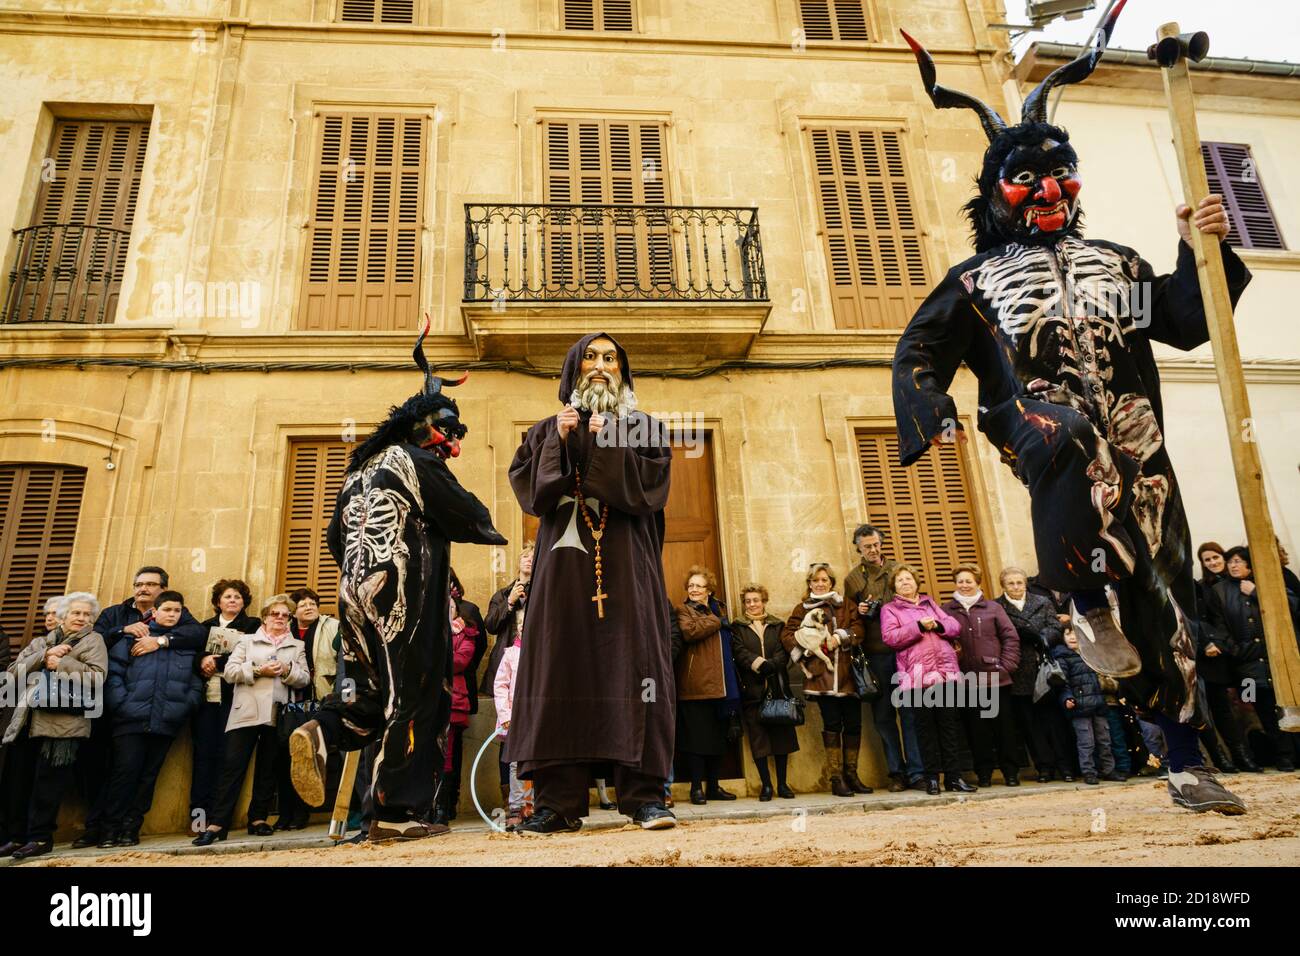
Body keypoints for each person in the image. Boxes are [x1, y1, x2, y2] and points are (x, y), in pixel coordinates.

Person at [896, 8, 1249, 813]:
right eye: (1029, 180)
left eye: (1062, 175)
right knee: (1070, 426)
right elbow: (919, 352)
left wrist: (1205, 248)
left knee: (1168, 597)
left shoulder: (1116, 262)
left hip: (1135, 442)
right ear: (996, 193)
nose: (1050, 191)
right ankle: (1082, 603)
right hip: (1038, 426)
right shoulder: (975, 284)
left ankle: (1186, 761)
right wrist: (931, 414)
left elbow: (1192, 321)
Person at [289, 327, 505, 841]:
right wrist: (482, 523)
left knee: (371, 693)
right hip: (400, 592)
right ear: (424, 427)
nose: (454, 442)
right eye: (449, 431)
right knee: (417, 695)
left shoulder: (356, 471)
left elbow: (333, 537)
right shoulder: (415, 461)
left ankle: (320, 729)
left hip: (352, 592)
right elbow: (469, 514)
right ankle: (397, 817)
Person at [504, 332, 676, 833]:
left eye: (610, 359)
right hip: (561, 576)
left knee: (636, 669)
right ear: (572, 370)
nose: (600, 367)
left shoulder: (644, 429)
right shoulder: (542, 432)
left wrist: (609, 441)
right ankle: (558, 805)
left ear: (623, 371)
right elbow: (532, 494)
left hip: (628, 571)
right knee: (559, 671)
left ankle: (645, 799)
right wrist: (559, 441)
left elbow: (651, 491)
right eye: (589, 359)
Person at [193, 594, 310, 845]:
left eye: (284, 615)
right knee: (232, 767)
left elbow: (305, 679)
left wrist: (288, 671)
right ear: (265, 617)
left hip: (276, 714)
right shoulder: (247, 640)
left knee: (267, 769)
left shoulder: (296, 646)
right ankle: (217, 823)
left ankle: (258, 818)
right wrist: (259, 670)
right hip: (245, 711)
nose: (279, 618)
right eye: (274, 614)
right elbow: (230, 672)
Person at [0, 593, 107, 860]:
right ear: (63, 616)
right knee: (19, 783)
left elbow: (98, 677)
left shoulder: (94, 641)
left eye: (87, 615)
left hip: (63, 724)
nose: (82, 619)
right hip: (27, 720)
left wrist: (63, 663)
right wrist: (46, 654)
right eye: (76, 613)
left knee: (47, 786)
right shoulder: (40, 642)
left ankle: (39, 838)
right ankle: (15, 837)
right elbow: (12, 672)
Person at [100, 590, 204, 846]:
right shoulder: (131, 639)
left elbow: (196, 682)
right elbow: (114, 675)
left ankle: (130, 828)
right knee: (125, 774)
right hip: (130, 720)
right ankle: (109, 829)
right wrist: (122, 704)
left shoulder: (185, 644)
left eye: (177, 611)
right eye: (167, 609)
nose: (172, 614)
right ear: (154, 612)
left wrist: (185, 706)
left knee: (148, 777)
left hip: (167, 721)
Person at [1205, 546, 1299, 772]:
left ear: (1249, 563)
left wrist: (1257, 592)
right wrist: (1236, 650)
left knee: (1289, 705)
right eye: (1231, 562)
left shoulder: (1268, 581)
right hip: (1244, 668)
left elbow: (1293, 606)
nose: (1233, 565)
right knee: (1258, 710)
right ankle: (1282, 756)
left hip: (1276, 662)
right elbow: (1218, 628)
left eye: (1238, 561)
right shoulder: (1219, 591)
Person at [881, 566, 972, 795]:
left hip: (945, 673)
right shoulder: (890, 609)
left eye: (908, 578)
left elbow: (954, 627)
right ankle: (931, 778)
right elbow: (890, 637)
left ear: (916, 582)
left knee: (949, 727)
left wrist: (938, 625)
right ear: (894, 586)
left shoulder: (931, 604)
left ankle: (954, 777)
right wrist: (919, 626)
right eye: (900, 580)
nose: (905, 582)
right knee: (925, 730)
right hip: (917, 677)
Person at [844, 524, 922, 792]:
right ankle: (896, 773)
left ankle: (917, 771)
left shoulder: (900, 570)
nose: (873, 550)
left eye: (876, 544)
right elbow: (850, 618)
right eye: (867, 547)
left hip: (907, 652)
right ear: (858, 548)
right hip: (876, 656)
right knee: (883, 717)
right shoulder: (853, 579)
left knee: (911, 713)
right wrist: (862, 611)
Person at [782, 563, 869, 797]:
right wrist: (809, 648)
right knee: (832, 725)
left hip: (848, 675)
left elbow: (858, 629)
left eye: (824, 580)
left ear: (831, 581)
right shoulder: (802, 608)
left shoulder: (846, 604)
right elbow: (788, 634)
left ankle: (852, 774)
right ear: (809, 583)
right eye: (815, 580)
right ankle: (836, 778)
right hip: (821, 677)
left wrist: (840, 638)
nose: (820, 584)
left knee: (853, 725)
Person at [944, 564, 1021, 786]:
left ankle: (1011, 772)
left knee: (1004, 728)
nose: (964, 585)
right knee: (977, 731)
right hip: (966, 681)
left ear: (978, 583)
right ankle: (984, 773)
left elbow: (1010, 638)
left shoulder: (993, 608)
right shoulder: (947, 610)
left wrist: (1006, 666)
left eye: (969, 581)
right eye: (960, 581)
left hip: (996, 678)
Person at [191, 579, 259, 827]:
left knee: (228, 759)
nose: (233, 601)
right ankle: (198, 819)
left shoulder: (253, 626)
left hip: (235, 699)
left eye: (238, 597)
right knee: (203, 757)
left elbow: (251, 656)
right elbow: (191, 654)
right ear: (218, 601)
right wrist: (201, 660)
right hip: (206, 700)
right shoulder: (204, 627)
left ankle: (220, 819)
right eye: (228, 597)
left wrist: (216, 662)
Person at [272, 587, 341, 830]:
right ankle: (286, 813)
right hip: (289, 703)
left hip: (323, 700)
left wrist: (340, 694)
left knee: (319, 757)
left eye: (313, 603)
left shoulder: (332, 627)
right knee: (287, 757)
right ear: (294, 611)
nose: (309, 607)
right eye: (302, 604)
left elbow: (342, 660)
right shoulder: (284, 631)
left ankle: (306, 814)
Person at [995, 567, 1072, 783]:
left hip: (1043, 670)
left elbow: (1055, 627)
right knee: (1030, 725)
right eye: (1011, 583)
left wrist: (1041, 637)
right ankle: (1043, 767)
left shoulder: (1042, 601)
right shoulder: (997, 606)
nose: (1016, 587)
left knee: (1054, 722)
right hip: (1018, 672)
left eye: (1019, 582)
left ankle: (1064, 766)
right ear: (1003, 585)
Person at [672, 567, 741, 805]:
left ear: (708, 590)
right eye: (690, 586)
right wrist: (716, 621)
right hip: (695, 686)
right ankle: (695, 789)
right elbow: (690, 632)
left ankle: (713, 786)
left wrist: (716, 618)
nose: (693, 590)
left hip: (721, 685)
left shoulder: (718, 609)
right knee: (696, 742)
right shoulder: (683, 610)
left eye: (698, 586)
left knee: (717, 740)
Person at [729, 584, 798, 800]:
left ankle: (783, 784)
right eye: (748, 601)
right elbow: (739, 652)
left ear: (763, 601)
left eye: (756, 600)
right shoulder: (737, 627)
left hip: (778, 688)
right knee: (758, 740)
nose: (752, 604)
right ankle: (766, 785)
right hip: (752, 690)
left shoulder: (778, 624)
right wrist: (759, 664)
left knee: (781, 738)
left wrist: (773, 664)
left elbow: (784, 649)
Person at [1192, 543, 1254, 772]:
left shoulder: (1242, 584)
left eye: (1216, 557)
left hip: (1243, 659)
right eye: (1206, 560)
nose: (1212, 563)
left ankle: (1253, 752)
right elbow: (1203, 619)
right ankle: (1232, 756)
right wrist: (1212, 642)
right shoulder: (1202, 588)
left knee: (1250, 705)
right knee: (1219, 708)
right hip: (1215, 657)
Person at [482, 546, 533, 812]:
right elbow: (490, 625)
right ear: (517, 563)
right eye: (525, 555)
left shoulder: (543, 590)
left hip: (535, 669)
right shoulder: (502, 594)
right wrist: (510, 601)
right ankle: (510, 800)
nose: (529, 559)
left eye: (534, 556)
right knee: (507, 735)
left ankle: (531, 801)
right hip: (507, 670)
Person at [434, 570, 484, 825]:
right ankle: (432, 805)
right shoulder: (431, 631)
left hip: (455, 699)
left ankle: (445, 805)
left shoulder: (467, 631)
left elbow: (464, 660)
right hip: (430, 702)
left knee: (450, 753)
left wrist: (434, 662)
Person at [1052, 629, 1124, 785]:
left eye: (1075, 633)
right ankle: (1089, 772)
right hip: (1079, 707)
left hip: (1098, 704)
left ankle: (1109, 769)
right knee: (1086, 742)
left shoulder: (1091, 654)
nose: (1072, 637)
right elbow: (1062, 682)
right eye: (1067, 634)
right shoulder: (1063, 657)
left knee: (1105, 740)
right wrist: (1067, 698)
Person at [492, 620, 526, 829]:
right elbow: (500, 685)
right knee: (515, 763)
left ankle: (534, 804)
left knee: (534, 761)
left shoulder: (540, 651)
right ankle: (516, 806)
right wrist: (505, 715)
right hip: (513, 718)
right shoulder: (510, 654)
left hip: (533, 717)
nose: (523, 626)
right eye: (520, 623)